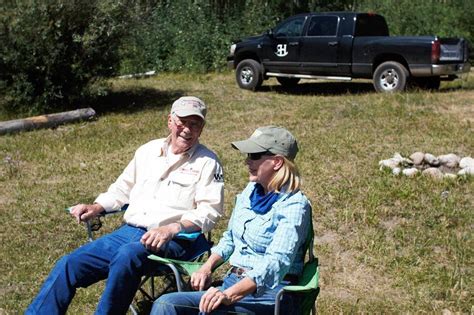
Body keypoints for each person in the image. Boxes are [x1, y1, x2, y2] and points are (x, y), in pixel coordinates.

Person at [27, 96, 224, 314]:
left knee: (127, 256)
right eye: (182, 122)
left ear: (202, 127)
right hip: (129, 233)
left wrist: (172, 228)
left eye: (194, 124)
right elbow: (122, 188)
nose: (187, 129)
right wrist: (96, 207)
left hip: (176, 240)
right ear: (170, 121)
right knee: (69, 264)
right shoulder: (148, 151)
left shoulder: (208, 162)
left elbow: (210, 211)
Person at [152, 126, 311, 315]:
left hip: (272, 294)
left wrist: (230, 295)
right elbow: (230, 239)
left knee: (210, 311)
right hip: (232, 283)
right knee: (166, 304)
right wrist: (207, 268)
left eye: (254, 156)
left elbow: (276, 262)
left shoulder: (294, 206)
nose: (247, 161)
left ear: (276, 162)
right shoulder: (251, 191)